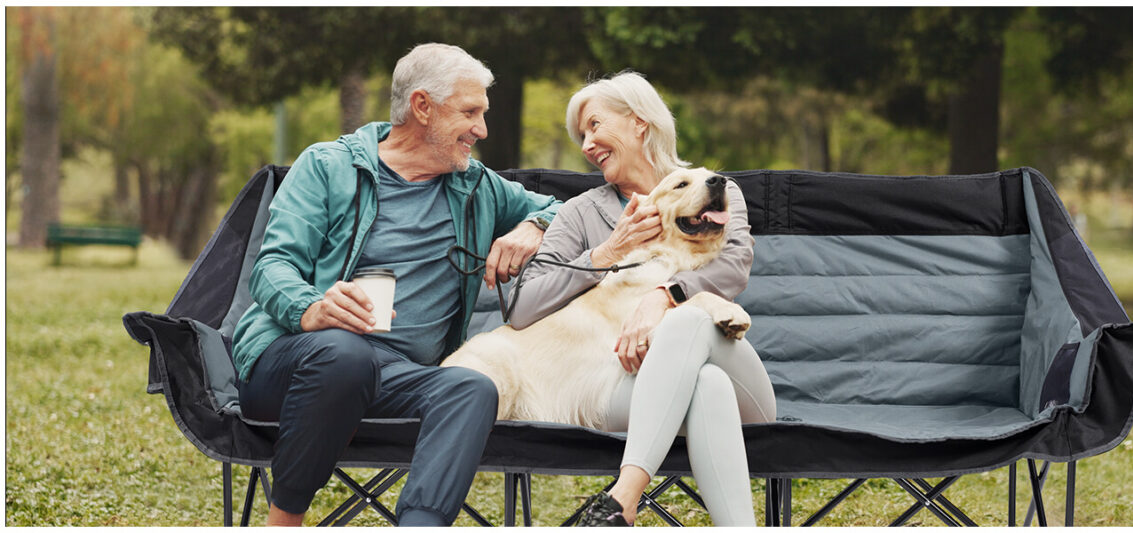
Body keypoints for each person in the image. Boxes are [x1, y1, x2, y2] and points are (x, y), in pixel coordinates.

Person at [231, 43, 562, 527]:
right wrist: (312, 308)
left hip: (398, 376)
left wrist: (534, 226)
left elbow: (562, 209)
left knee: (471, 387)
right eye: (470, 112)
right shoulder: (328, 166)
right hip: (298, 362)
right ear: (422, 106)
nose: (482, 129)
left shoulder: (476, 186)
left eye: (484, 114)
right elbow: (272, 266)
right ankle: (284, 522)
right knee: (346, 356)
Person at [508, 71, 777, 526]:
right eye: (581, 135)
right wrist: (607, 252)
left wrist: (663, 296)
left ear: (638, 122)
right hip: (632, 389)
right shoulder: (580, 214)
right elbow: (523, 307)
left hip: (742, 390)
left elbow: (733, 265)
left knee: (689, 319)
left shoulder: (714, 189)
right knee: (705, 385)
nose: (587, 144)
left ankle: (623, 497)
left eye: (595, 125)